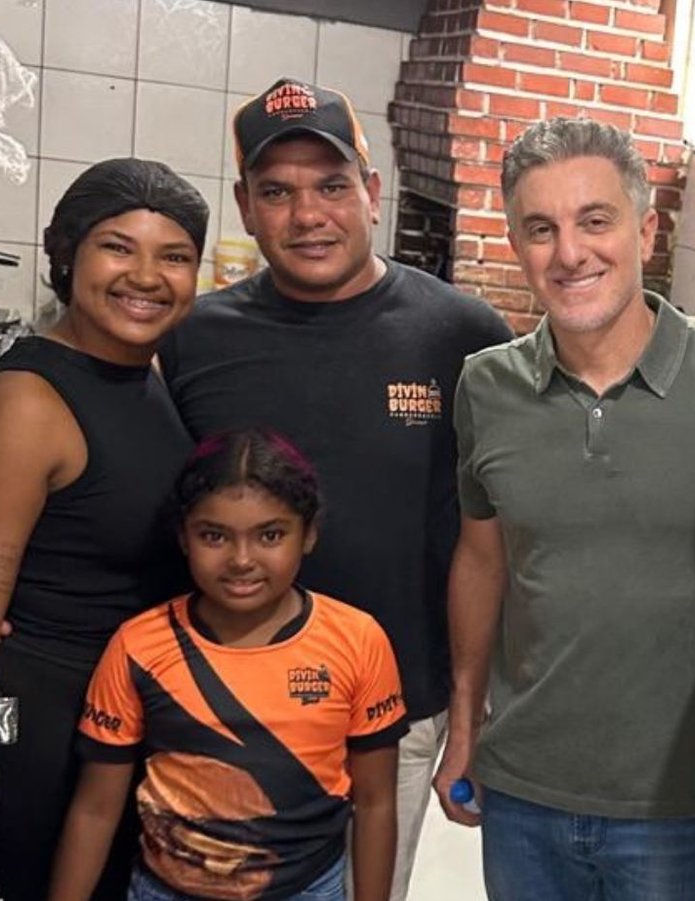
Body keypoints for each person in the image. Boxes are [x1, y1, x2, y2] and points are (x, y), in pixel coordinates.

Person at [156, 78, 513, 901]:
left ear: (372, 192)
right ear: (245, 207)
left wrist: (467, 718)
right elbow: (149, 509)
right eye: (277, 192)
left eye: (331, 185)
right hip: (220, 709)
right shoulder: (194, 341)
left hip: (399, 716)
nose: (307, 215)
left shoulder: (462, 336)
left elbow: (485, 542)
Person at [435, 117, 695, 899]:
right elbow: (483, 560)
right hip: (523, 790)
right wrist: (464, 727)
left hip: (684, 803)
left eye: (595, 220)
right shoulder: (485, 387)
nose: (570, 253)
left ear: (647, 228)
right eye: (540, 229)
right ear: (516, 244)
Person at [0, 158, 207, 901]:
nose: (145, 276)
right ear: (66, 254)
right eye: (118, 246)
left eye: (174, 256)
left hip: (121, 724)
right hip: (39, 734)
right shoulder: (27, 400)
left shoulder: (145, 374)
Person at [49, 429, 407, 901]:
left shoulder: (358, 641)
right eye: (214, 535)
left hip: (308, 890)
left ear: (310, 534)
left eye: (270, 535)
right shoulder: (140, 645)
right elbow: (95, 809)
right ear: (183, 536)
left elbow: (376, 802)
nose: (241, 560)